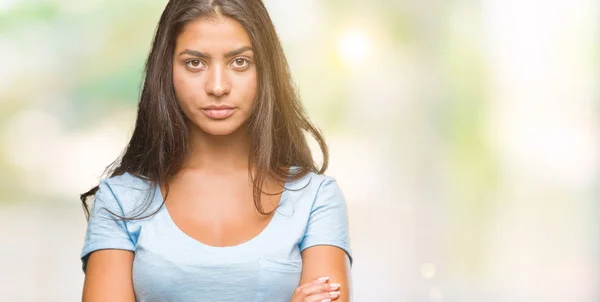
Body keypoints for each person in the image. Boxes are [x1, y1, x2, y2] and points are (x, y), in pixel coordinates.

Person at [79, 0, 353, 301]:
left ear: (266, 70)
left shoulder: (315, 199)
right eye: (195, 63)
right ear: (166, 70)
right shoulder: (121, 200)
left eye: (240, 62)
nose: (218, 86)